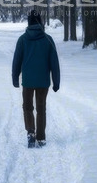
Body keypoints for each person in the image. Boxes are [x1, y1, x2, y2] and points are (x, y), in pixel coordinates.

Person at [12, 9, 61, 147]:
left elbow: (17, 60)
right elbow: (54, 62)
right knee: (41, 108)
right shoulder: (48, 39)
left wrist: (15, 77)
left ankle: (31, 132)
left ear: (29, 22)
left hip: (27, 81)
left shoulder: (22, 39)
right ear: (40, 21)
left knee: (27, 107)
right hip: (43, 81)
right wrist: (56, 81)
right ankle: (41, 137)